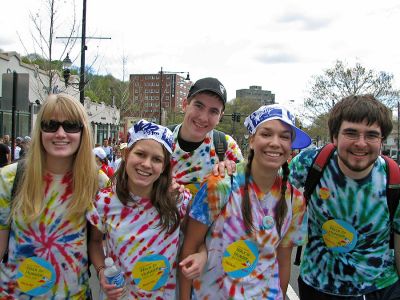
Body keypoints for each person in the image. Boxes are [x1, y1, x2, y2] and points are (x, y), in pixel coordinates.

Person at [179, 104, 312, 299]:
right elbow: (189, 249)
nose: (275, 143)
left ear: (291, 146)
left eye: (284, 136)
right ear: (252, 141)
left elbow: (284, 262)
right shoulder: (221, 184)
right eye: (266, 134)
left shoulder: (296, 201)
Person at [289, 94, 400, 299]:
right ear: (334, 137)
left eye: (371, 135)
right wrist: (229, 169)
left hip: (380, 288)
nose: (361, 143)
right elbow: (261, 190)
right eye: (351, 133)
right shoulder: (308, 164)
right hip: (317, 287)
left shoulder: (394, 179)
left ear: (381, 140)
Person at [0, 93, 109, 299]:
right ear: (40, 130)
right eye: (51, 125)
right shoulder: (9, 179)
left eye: (71, 125)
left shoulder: (97, 182)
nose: (60, 133)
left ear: (83, 131)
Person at [87, 119, 203, 299]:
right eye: (140, 154)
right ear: (126, 154)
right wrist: (101, 270)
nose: (147, 164)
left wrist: (202, 255)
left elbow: (196, 240)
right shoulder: (104, 202)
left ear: (164, 166)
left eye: (156, 159)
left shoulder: (179, 201)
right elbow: (94, 242)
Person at [170, 77, 243, 197]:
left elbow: (244, 192)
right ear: (185, 105)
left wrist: (231, 175)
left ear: (220, 117)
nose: (203, 118)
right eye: (198, 106)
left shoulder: (226, 146)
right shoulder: (161, 140)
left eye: (213, 111)